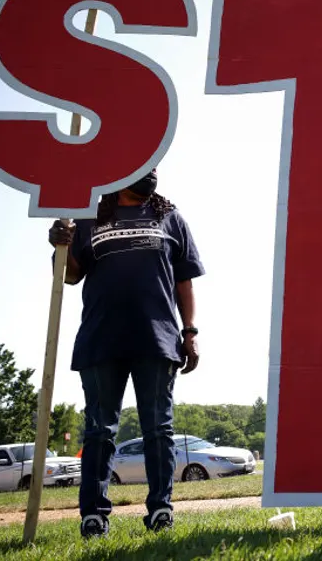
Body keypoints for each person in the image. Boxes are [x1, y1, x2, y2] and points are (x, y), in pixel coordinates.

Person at [48, 168, 204, 538]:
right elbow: (70, 276)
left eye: (153, 167)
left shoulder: (170, 216)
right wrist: (61, 245)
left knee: (158, 429)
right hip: (102, 340)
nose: (149, 173)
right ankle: (94, 515)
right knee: (99, 431)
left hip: (158, 339)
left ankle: (161, 510)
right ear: (117, 174)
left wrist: (191, 331)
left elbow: (185, 279)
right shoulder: (89, 218)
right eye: (140, 167)